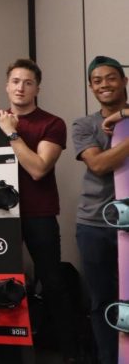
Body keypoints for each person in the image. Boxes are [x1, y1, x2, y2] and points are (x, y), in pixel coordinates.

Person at [0, 58, 77, 362]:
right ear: (6, 85)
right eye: (15, 81)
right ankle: (2, 349)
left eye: (27, 82)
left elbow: (38, 169)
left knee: (51, 281)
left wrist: (12, 134)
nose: (21, 87)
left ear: (37, 87)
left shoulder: (51, 123)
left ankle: (70, 351)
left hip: (39, 214)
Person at [72, 56, 129, 364]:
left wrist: (123, 114)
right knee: (102, 301)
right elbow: (99, 164)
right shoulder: (84, 125)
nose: (104, 85)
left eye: (111, 78)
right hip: (95, 224)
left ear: (124, 81)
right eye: (97, 81)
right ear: (91, 87)